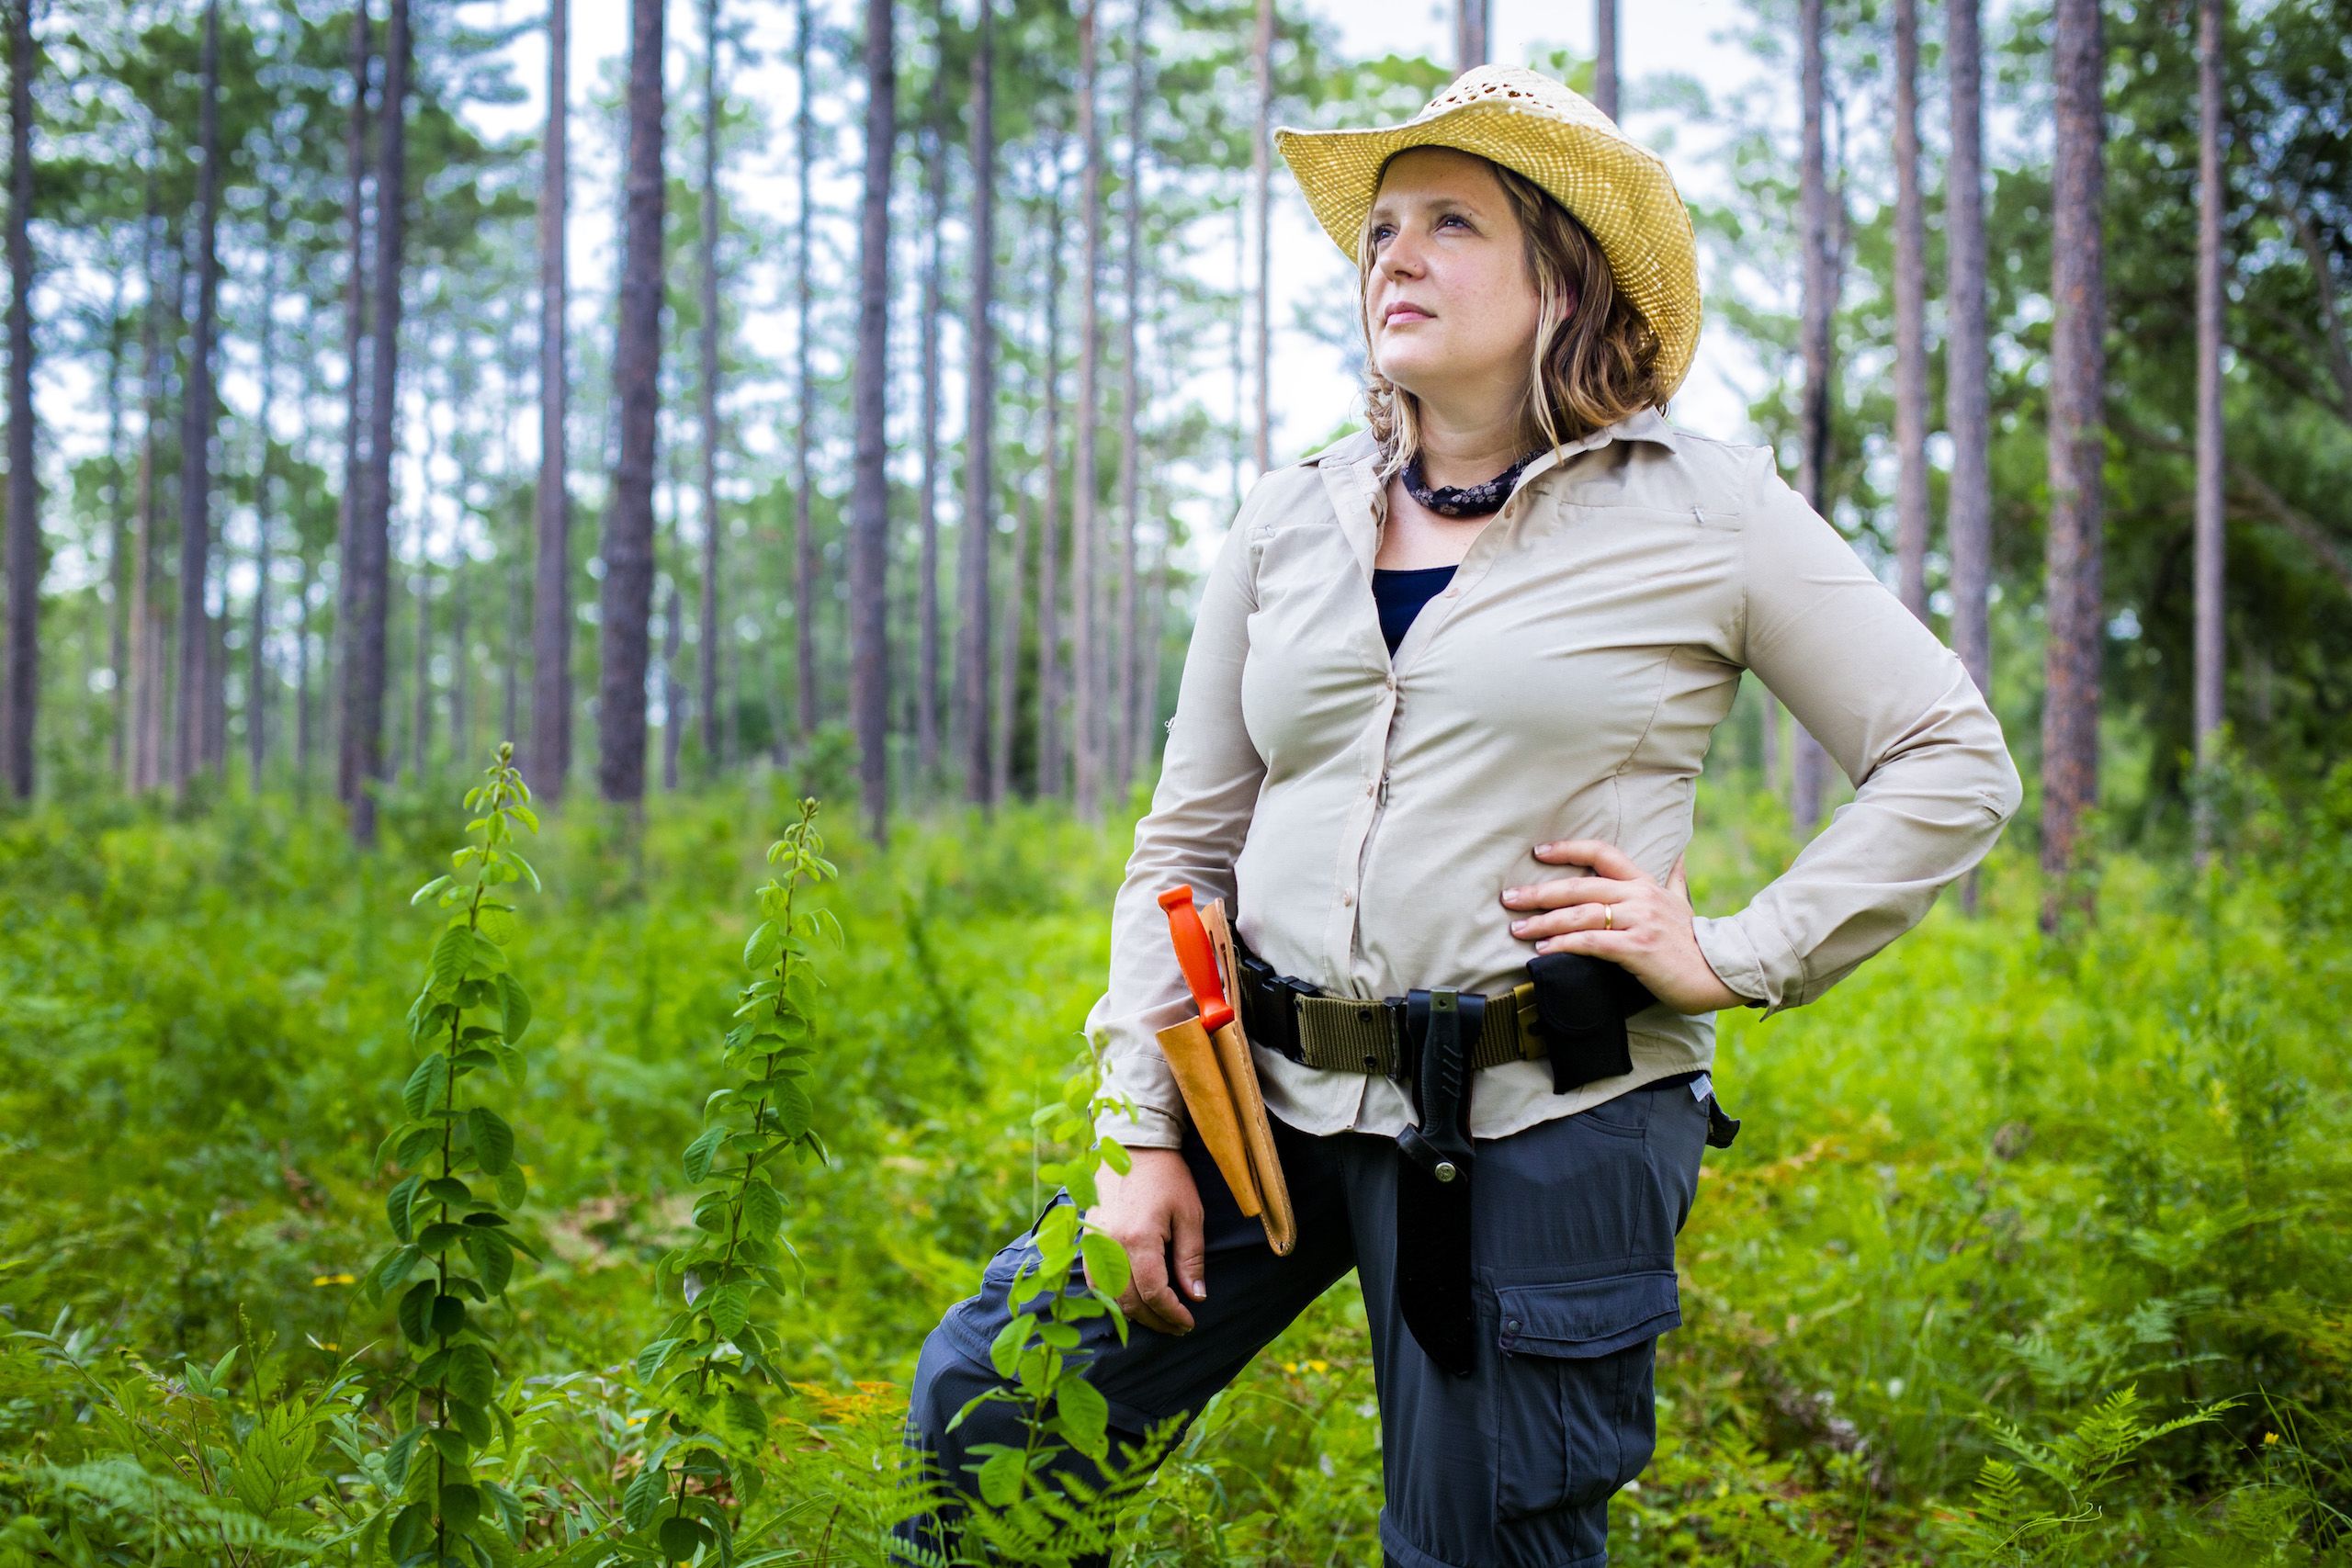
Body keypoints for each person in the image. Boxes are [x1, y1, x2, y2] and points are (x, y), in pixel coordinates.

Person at [897, 62, 2023, 1568]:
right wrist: (1136, 1131)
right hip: (1263, 1102)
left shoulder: (1708, 512)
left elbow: (1952, 755)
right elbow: (1183, 853)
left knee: (1480, 1541)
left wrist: (1741, 952)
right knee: (991, 1413)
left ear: (1564, 274)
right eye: (1381, 232)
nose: (1396, 257)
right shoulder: (1287, 518)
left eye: (1452, 223)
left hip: (1540, 1118)